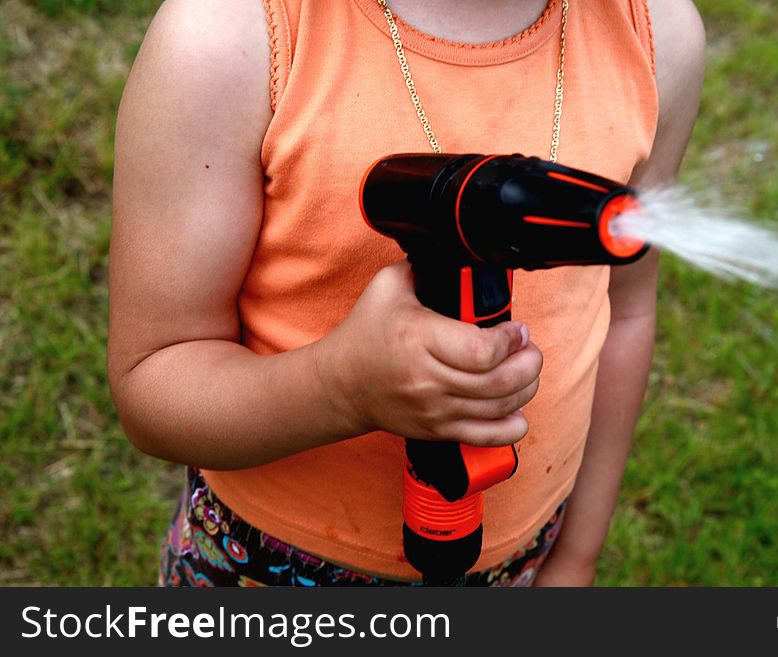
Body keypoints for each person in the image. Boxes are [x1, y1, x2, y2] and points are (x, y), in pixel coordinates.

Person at [108, 0, 705, 587]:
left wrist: (577, 556)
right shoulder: (227, 36)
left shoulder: (656, 33)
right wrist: (339, 390)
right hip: (268, 564)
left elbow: (625, 312)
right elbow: (151, 382)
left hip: (526, 557)